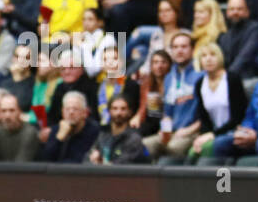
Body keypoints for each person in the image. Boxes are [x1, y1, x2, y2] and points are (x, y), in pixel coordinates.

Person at [143, 31, 204, 161]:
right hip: (172, 132)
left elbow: (206, 115)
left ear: (192, 49)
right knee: (143, 147)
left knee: (172, 148)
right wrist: (165, 131)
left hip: (192, 132)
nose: (179, 51)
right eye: (175, 47)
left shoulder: (201, 75)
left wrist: (188, 131)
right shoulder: (169, 77)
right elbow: (167, 113)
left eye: (183, 47)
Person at [207, 45, 258, 160]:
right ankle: (224, 178)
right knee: (221, 143)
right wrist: (246, 131)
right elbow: (250, 115)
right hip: (254, 134)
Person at [187, 42, 248, 162]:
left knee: (207, 149)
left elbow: (238, 117)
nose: (208, 59)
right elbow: (203, 117)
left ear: (220, 57)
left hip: (233, 132)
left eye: (212, 55)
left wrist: (212, 135)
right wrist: (204, 135)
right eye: (204, 56)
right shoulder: (200, 83)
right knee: (192, 152)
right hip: (213, 133)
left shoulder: (232, 79)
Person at [41, 90, 99, 162]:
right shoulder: (56, 130)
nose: (71, 112)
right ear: (62, 112)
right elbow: (45, 160)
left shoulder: (94, 131)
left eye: (75, 109)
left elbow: (82, 160)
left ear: (85, 113)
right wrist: (59, 138)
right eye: (67, 109)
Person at [90, 95, 148, 163]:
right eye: (115, 108)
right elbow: (89, 155)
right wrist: (93, 157)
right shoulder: (102, 134)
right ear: (109, 111)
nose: (118, 113)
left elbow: (123, 164)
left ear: (130, 112)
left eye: (123, 109)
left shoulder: (134, 138)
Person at [0, 92, 40, 161]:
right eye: (3, 111)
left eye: (12, 110)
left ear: (20, 112)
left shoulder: (29, 132)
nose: (7, 115)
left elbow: (21, 164)